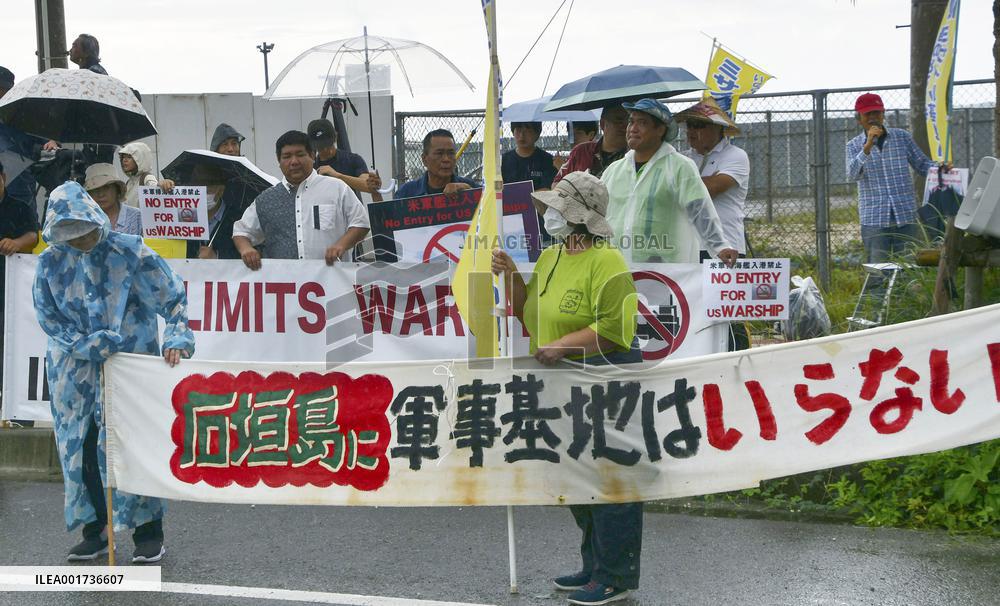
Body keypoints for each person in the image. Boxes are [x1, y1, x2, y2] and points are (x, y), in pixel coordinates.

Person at [491, 171, 640, 606]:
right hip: (562, 380)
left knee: (609, 478)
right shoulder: (554, 255)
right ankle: (595, 564)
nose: (548, 215)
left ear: (577, 218)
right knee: (579, 477)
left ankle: (615, 575)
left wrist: (562, 345)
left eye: (557, 208)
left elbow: (616, 330)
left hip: (601, 376)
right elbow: (527, 310)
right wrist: (512, 274)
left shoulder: (606, 260)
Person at [33, 181, 194, 564]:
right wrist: (84, 344)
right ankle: (96, 531)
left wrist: (176, 335)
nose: (80, 240)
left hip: (128, 365)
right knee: (82, 448)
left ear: (96, 220)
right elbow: (48, 317)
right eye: (70, 234)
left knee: (132, 445)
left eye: (85, 231)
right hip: (73, 373)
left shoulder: (129, 252)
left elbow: (172, 298)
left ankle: (148, 532)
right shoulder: (51, 261)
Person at [602, 98, 737, 266]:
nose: (632, 129)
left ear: (660, 130)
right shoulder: (615, 170)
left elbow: (700, 210)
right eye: (631, 122)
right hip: (618, 266)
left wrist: (719, 247)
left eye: (642, 123)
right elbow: (597, 213)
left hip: (666, 271)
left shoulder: (679, 166)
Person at [233, 130, 370, 269]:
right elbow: (241, 232)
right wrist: (246, 249)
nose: (294, 162)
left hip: (334, 283)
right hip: (285, 286)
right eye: (286, 156)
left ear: (312, 155)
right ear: (278, 160)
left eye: (300, 154)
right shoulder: (266, 199)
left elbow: (361, 223)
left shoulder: (337, 188)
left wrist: (341, 246)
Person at [676, 98, 751, 351]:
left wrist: (680, 184)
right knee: (694, 310)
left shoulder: (736, 156)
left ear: (719, 129)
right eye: (689, 126)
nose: (691, 132)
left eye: (698, 126)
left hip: (725, 246)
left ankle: (738, 360)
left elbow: (712, 189)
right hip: (689, 245)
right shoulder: (684, 159)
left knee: (728, 313)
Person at [846, 93, 945, 263]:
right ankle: (877, 291)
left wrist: (942, 169)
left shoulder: (902, 137)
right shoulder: (853, 145)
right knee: (877, 271)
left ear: (883, 114)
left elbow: (922, 165)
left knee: (908, 268)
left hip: (905, 214)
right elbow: (852, 174)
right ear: (859, 118)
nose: (872, 118)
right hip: (874, 218)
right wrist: (867, 147)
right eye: (867, 114)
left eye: (876, 113)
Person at [307, 118, 382, 201]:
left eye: (328, 144)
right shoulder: (311, 167)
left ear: (335, 137)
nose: (325, 149)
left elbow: (368, 186)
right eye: (320, 147)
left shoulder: (352, 159)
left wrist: (337, 176)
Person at [553, 103, 629, 184]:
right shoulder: (581, 152)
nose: (625, 126)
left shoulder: (632, 156)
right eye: (618, 120)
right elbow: (557, 183)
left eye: (629, 121)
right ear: (603, 124)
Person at [395, 129, 480, 199]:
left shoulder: (470, 187)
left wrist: (470, 193)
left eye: (451, 153)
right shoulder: (406, 193)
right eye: (439, 153)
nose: (446, 159)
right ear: (424, 159)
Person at [84, 163, 141, 235]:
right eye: (95, 189)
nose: (101, 194)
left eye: (106, 188)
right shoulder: (84, 220)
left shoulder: (138, 217)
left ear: (117, 189)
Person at [501, 121, 556, 192]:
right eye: (518, 130)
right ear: (513, 132)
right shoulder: (503, 161)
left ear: (537, 134)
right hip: (510, 203)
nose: (522, 135)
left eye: (527, 130)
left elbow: (547, 190)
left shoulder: (547, 160)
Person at [119, 142, 158, 208]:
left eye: (129, 157)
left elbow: (157, 191)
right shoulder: (129, 182)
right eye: (123, 157)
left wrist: (163, 184)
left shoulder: (147, 178)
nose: (124, 160)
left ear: (139, 159)